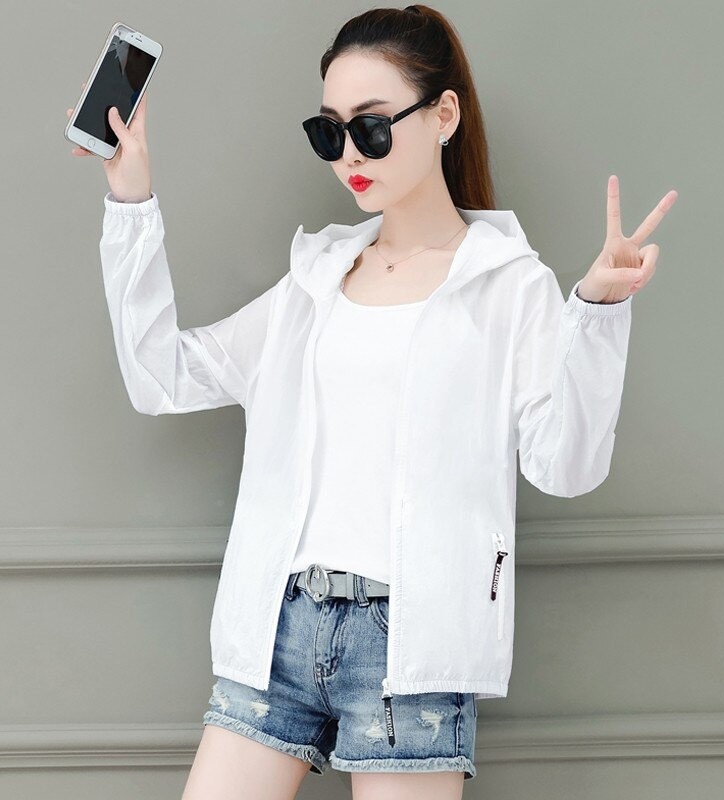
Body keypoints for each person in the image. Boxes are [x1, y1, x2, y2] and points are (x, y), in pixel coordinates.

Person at [67, 5, 676, 799]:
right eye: (329, 133)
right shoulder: (314, 280)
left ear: (444, 114)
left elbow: (566, 467)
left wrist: (596, 313)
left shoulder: (509, 286)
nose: (350, 154)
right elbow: (162, 377)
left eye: (372, 126)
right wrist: (131, 202)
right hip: (279, 626)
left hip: (411, 644)